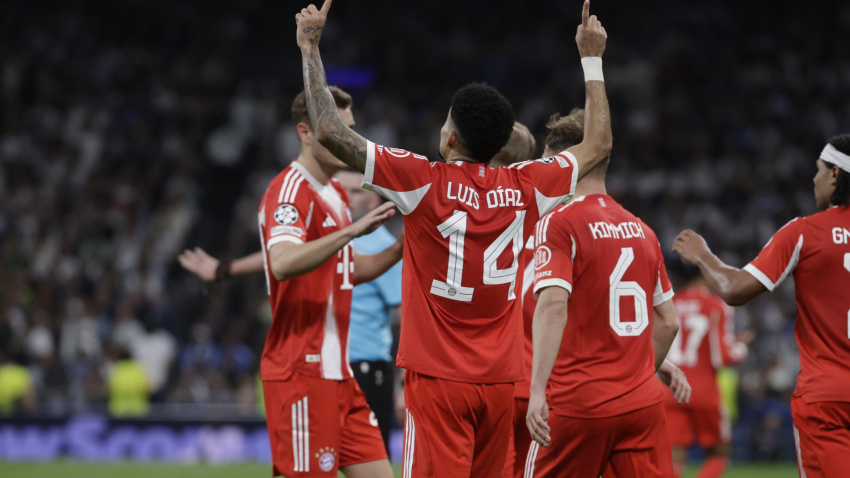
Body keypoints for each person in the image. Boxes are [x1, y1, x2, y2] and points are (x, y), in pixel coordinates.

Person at [296, 1, 612, 475]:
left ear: (449, 139)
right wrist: (592, 58)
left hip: (439, 379)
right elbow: (599, 144)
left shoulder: (421, 180)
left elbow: (327, 129)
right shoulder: (528, 186)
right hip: (502, 380)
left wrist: (310, 47)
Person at [672, 134, 850, 478]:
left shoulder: (804, 232)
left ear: (834, 175)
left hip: (827, 399)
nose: (813, 178)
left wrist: (703, 256)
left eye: (818, 170)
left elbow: (735, 289)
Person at [524, 115, 689, 476]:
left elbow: (553, 308)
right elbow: (669, 322)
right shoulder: (643, 230)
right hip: (641, 406)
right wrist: (639, 371)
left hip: (579, 402)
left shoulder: (558, 222)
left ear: (565, 164)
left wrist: (537, 392)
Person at [335, 168, 403, 457]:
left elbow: (404, 319)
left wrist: (402, 383)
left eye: (356, 191)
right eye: (340, 190)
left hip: (367, 367)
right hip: (327, 364)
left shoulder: (384, 247)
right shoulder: (328, 239)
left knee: (371, 459)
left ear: (373, 203)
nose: (346, 198)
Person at [664, 262, 748, 478]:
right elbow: (724, 356)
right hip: (704, 390)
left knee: (673, 457)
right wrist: (742, 346)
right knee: (719, 454)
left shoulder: (669, 304)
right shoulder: (715, 305)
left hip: (669, 390)